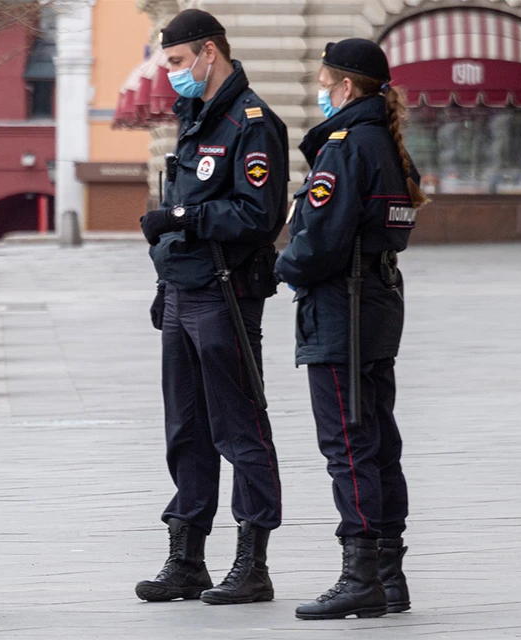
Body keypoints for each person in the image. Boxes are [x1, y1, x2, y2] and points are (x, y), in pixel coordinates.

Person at [135, 9, 288, 606]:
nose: (173, 75)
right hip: (183, 291)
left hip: (226, 293)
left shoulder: (251, 123)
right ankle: (187, 557)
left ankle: (253, 561)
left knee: (238, 427)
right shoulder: (195, 118)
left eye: (177, 63)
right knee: (186, 431)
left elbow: (259, 216)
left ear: (207, 52)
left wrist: (182, 218)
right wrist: (163, 281)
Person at [274, 38, 428, 620]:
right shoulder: (386, 141)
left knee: (348, 442)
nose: (320, 92)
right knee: (378, 439)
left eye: (324, 81)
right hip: (379, 301)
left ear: (343, 87)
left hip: (344, 306)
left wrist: (281, 266)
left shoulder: (344, 146)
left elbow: (321, 241)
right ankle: (389, 574)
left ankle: (360, 573)